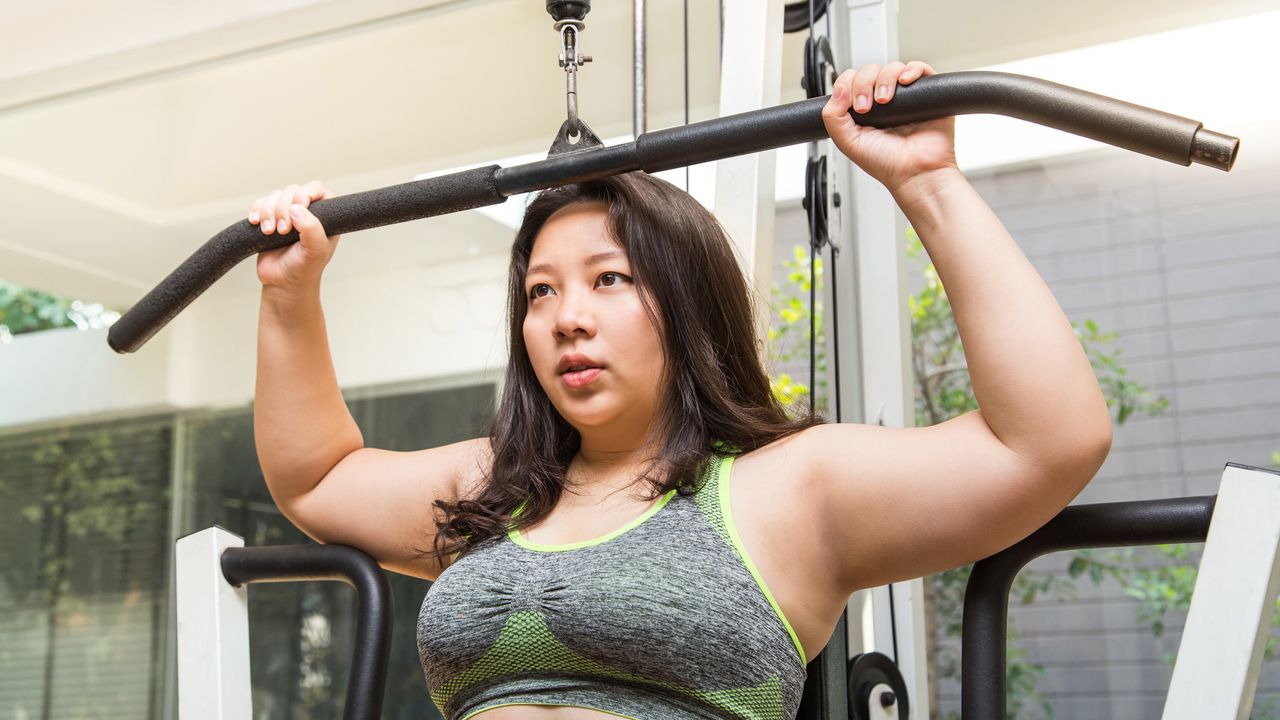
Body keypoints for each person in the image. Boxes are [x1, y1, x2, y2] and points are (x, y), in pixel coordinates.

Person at [248, 61, 1112, 720]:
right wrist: (289, 297)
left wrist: (927, 183)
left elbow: (1046, 441)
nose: (564, 318)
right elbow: (316, 479)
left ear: (687, 301)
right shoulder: (493, 489)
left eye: (608, 279)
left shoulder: (785, 487)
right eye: (540, 291)